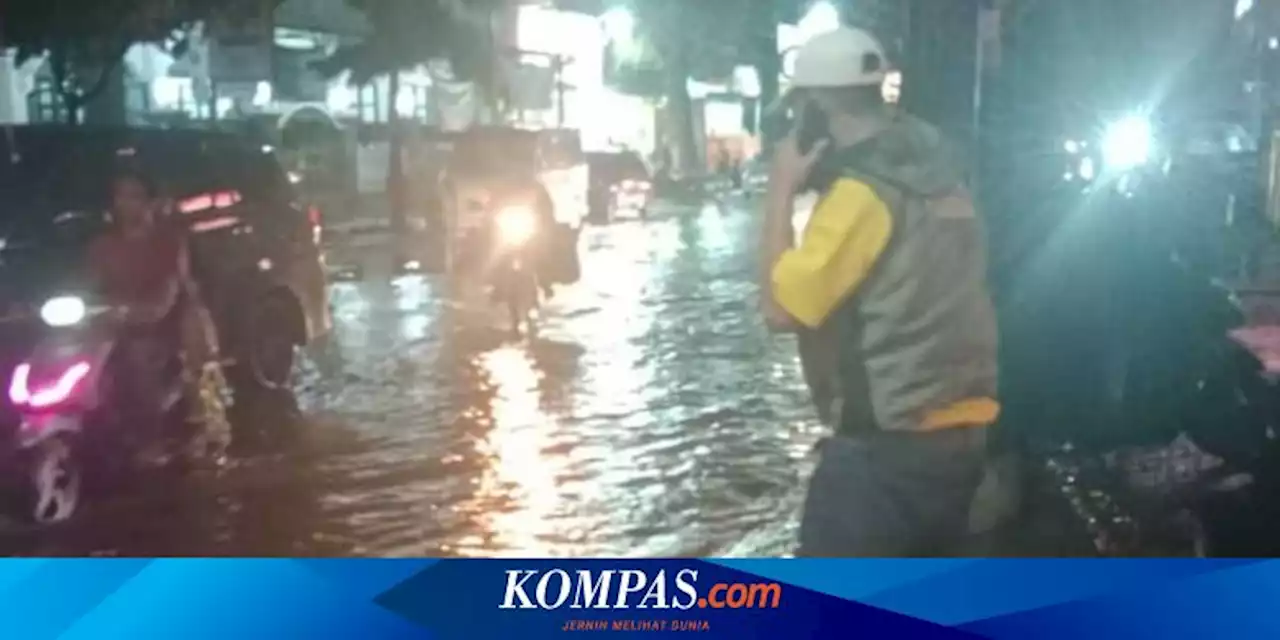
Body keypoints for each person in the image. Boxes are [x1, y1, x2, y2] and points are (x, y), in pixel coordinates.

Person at [758, 27, 1000, 556]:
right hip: (962, 438)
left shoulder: (861, 196)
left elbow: (780, 310)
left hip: (885, 450)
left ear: (816, 110)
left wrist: (780, 190)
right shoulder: (945, 178)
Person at [88, 170, 229, 462]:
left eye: (135, 196)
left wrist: (147, 310)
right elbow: (90, 286)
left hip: (167, 322)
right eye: (121, 196)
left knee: (143, 356)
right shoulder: (102, 246)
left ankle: (154, 436)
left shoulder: (169, 242)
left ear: (151, 202)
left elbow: (172, 288)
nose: (127, 204)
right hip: (117, 321)